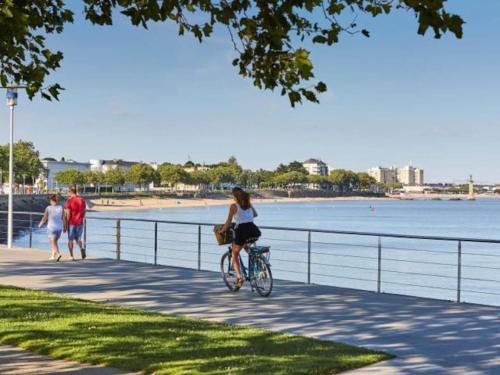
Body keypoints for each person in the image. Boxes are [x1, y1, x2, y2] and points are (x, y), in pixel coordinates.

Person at [220, 187, 261, 288]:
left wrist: (222, 230)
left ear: (234, 196)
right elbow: (255, 215)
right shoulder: (248, 204)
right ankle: (258, 263)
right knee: (246, 246)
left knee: (234, 253)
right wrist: (247, 213)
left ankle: (239, 277)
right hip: (253, 230)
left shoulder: (234, 206)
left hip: (242, 231)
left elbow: (228, 222)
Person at [38, 194, 64, 262]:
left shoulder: (48, 208)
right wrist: (65, 227)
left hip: (51, 228)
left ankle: (58, 254)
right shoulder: (61, 207)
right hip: (59, 228)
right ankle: (53, 256)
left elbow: (44, 218)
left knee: (52, 242)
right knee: (54, 242)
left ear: (51, 200)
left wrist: (40, 224)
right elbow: (63, 218)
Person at [65, 187, 86, 260]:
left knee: (70, 239)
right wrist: (82, 218)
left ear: (70, 192)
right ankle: (81, 248)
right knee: (78, 238)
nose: (67, 193)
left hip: (72, 222)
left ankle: (71, 256)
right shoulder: (82, 200)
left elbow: (68, 213)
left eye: (68, 192)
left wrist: (66, 224)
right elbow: (84, 211)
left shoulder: (69, 201)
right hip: (80, 222)